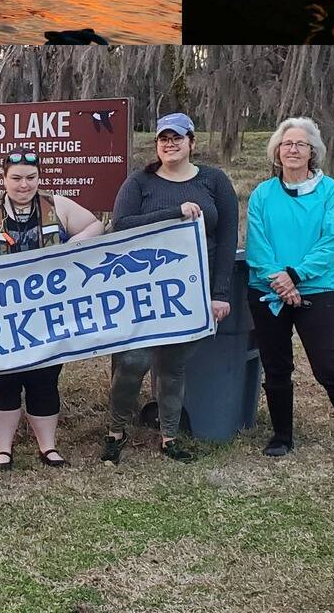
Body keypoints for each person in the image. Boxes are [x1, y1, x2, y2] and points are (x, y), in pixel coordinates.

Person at [0, 148, 104, 469]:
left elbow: (95, 226)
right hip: (1, 315)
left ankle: (48, 446)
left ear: (39, 178)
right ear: (4, 179)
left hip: (47, 314)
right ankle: (4, 448)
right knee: (4, 379)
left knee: (44, 377)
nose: (24, 184)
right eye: (16, 178)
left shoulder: (56, 205)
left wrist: (72, 246)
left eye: (30, 178)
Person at [245, 117, 334, 465]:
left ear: (313, 152)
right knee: (276, 366)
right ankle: (281, 436)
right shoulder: (263, 194)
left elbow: (332, 241)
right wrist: (279, 281)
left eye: (300, 144)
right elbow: (257, 245)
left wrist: (295, 275)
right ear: (277, 151)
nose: (293, 149)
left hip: (316, 290)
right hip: (267, 291)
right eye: (286, 143)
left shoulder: (329, 191)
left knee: (328, 366)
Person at [101, 113, 237, 464]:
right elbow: (121, 226)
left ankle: (170, 436)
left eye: (177, 137)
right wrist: (173, 213)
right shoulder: (140, 182)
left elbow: (226, 239)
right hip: (142, 291)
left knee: (174, 366)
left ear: (192, 142)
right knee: (132, 362)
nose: (169, 143)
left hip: (190, 292)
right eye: (163, 137)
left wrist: (219, 293)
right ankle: (116, 432)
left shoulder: (214, 181)